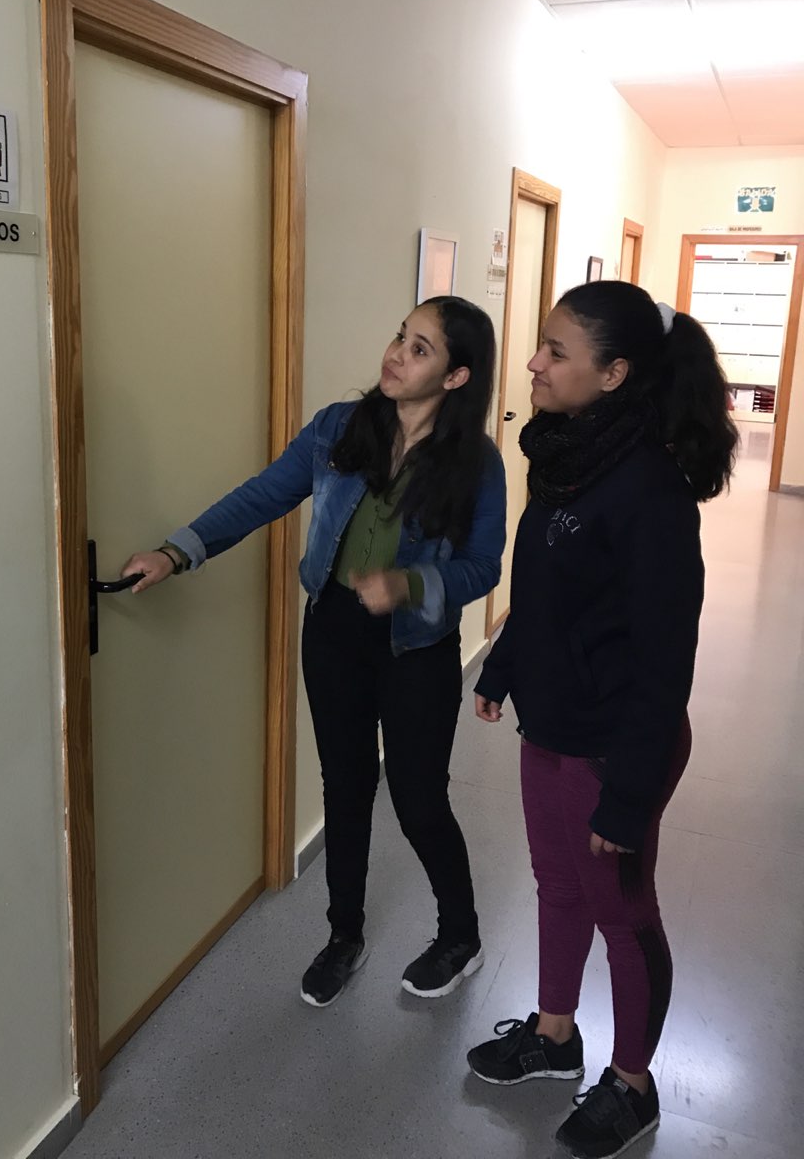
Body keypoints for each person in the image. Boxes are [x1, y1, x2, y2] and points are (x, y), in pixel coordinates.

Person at [121, 296, 506, 1008]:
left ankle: (460, 936)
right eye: (400, 336)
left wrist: (412, 582)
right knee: (346, 786)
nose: (396, 353)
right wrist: (179, 551)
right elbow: (262, 496)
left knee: (420, 801)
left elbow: (485, 566)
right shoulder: (339, 427)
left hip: (417, 645)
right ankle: (343, 937)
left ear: (456, 377)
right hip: (333, 633)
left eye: (420, 348)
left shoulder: (476, 463)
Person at [466, 281, 737, 1158]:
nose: (535, 364)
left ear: (614, 374)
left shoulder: (649, 491)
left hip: (620, 744)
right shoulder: (566, 457)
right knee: (555, 886)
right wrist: (503, 666)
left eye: (555, 353)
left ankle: (633, 1083)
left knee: (622, 911)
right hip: (551, 725)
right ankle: (554, 1036)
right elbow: (544, 590)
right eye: (542, 346)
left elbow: (665, 664)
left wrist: (625, 799)